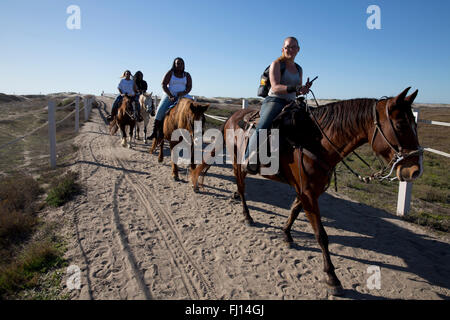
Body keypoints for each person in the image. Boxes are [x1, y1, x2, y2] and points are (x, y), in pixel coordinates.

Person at [244, 36, 313, 174]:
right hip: (275, 100)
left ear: (298, 50)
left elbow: (297, 91)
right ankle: (248, 159)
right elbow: (275, 87)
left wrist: (303, 89)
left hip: (292, 102)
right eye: (287, 47)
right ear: (283, 49)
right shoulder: (276, 64)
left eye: (293, 47)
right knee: (263, 127)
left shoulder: (299, 68)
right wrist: (295, 88)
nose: (290, 50)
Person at [148, 57, 193, 139]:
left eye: (181, 64)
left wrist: (183, 93)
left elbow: (189, 87)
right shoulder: (170, 73)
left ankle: (196, 131)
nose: (180, 65)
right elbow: (163, 84)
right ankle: (155, 132)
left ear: (184, 65)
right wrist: (170, 95)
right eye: (178, 63)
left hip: (183, 95)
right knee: (160, 110)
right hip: (170, 94)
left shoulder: (187, 75)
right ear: (174, 65)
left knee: (195, 109)